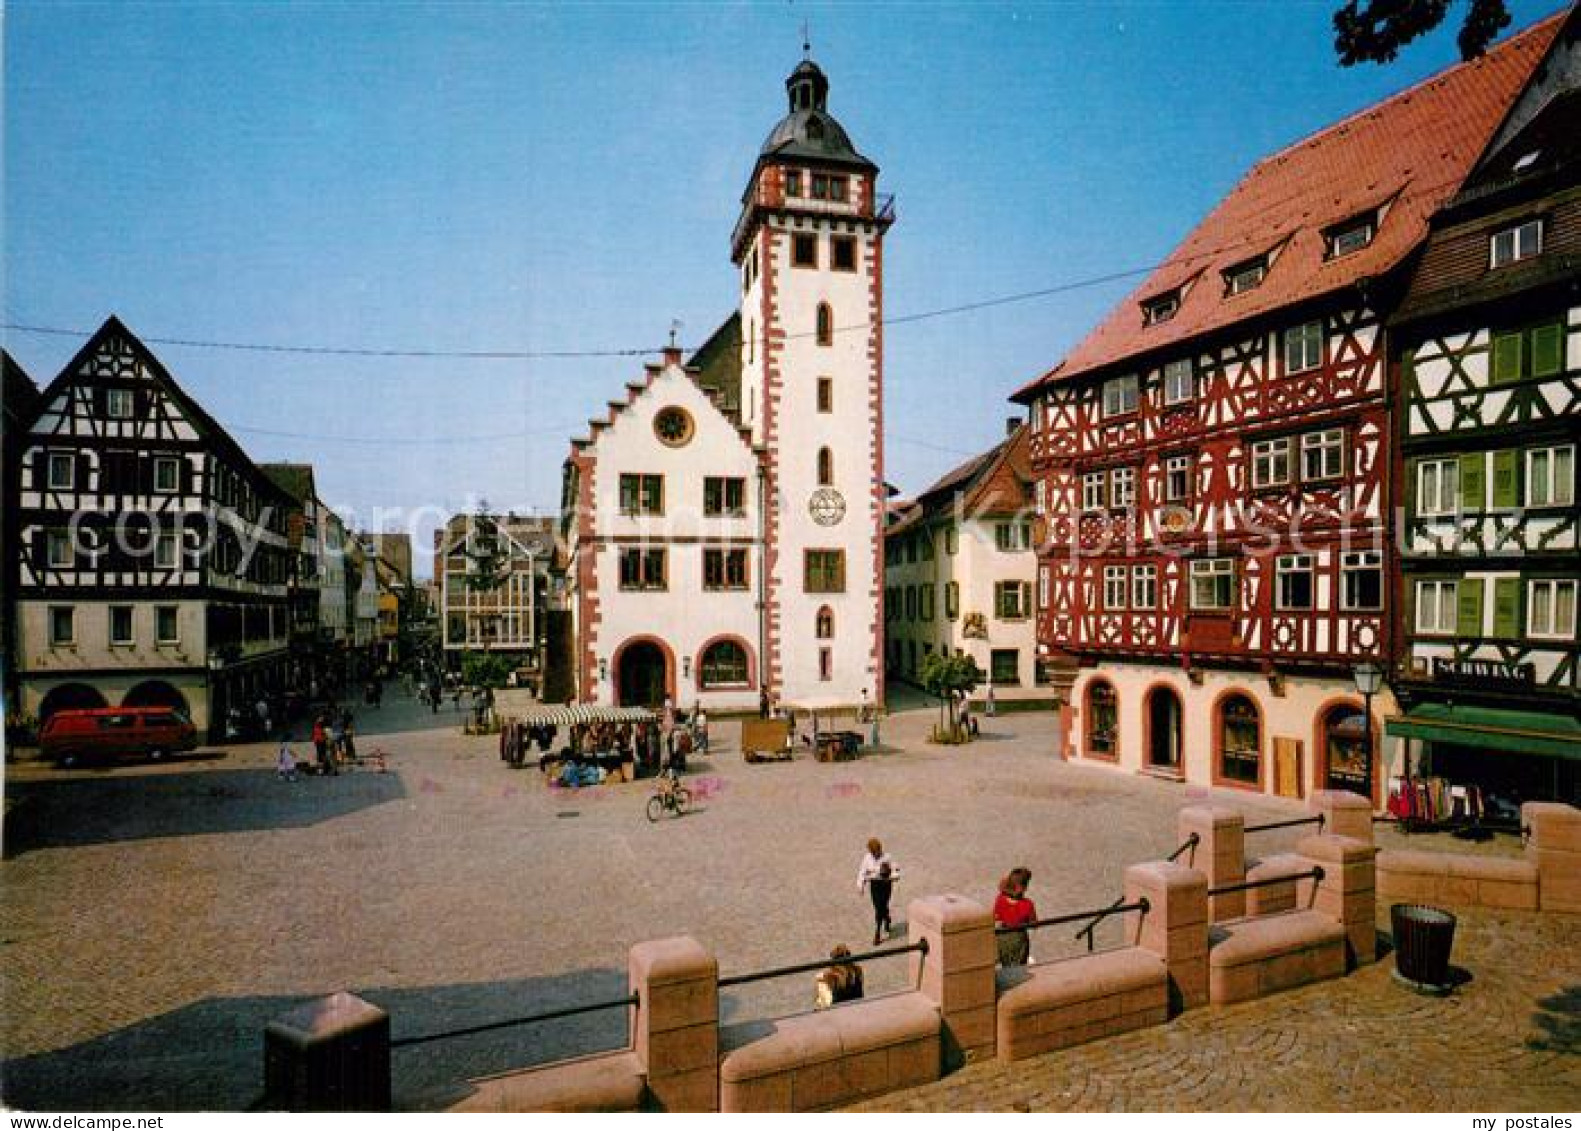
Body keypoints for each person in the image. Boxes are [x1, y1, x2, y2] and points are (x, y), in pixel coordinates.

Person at [857, 838, 900, 946]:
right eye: (874, 852)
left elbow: (896, 869)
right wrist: (860, 886)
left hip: (885, 885)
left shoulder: (887, 857)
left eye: (878, 851)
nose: (877, 854)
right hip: (875, 886)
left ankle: (877, 933)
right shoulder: (867, 858)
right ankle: (887, 917)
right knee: (878, 907)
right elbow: (862, 872)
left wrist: (894, 876)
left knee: (882, 906)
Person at [993, 867, 1038, 968]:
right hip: (1018, 939)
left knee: (1005, 964)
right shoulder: (1027, 904)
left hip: (1002, 937)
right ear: (1025, 887)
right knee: (1018, 967)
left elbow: (996, 916)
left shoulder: (1000, 899)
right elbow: (1034, 924)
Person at [815, 944, 865, 1010]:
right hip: (858, 1008)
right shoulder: (858, 971)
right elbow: (860, 995)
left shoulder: (829, 976)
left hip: (838, 1010)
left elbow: (824, 1003)